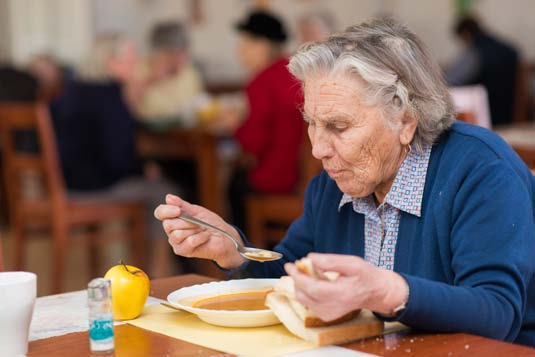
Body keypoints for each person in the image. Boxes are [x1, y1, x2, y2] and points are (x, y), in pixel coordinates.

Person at [154, 18, 535, 346]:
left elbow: (497, 312)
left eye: (338, 126)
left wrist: (385, 290)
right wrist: (233, 250)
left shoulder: (480, 171)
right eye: (311, 123)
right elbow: (289, 272)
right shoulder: (333, 185)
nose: (319, 148)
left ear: (405, 120)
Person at [54, 33, 180, 277]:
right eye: (132, 58)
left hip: (68, 182)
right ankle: (160, 275)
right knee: (166, 195)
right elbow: (118, 159)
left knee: (152, 184)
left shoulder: (70, 92)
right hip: (97, 186)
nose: (137, 63)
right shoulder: (110, 96)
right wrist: (144, 168)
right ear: (111, 62)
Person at [227, 10, 305, 229]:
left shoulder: (261, 81)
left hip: (278, 176)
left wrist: (236, 126)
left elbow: (253, 144)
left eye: (244, 44)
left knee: (234, 185)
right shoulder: (296, 71)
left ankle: (248, 254)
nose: (239, 50)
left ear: (262, 45)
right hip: (307, 176)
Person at [445, 16, 519, 126]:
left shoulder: (475, 53)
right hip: (509, 108)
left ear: (466, 34)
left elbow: (453, 80)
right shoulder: (507, 49)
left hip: (485, 112)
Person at [133, 21, 204, 125]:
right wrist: (150, 79)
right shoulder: (138, 69)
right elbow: (127, 108)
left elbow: (199, 105)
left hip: (186, 134)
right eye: (171, 54)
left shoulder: (189, 73)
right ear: (156, 52)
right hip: (149, 135)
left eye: (183, 52)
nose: (179, 59)